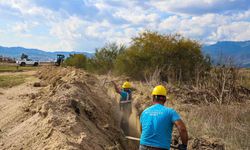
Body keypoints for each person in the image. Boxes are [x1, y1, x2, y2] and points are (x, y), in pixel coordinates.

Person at [139, 85, 188, 150]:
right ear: (165, 99)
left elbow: (142, 129)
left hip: (143, 146)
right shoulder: (170, 112)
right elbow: (182, 129)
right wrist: (184, 145)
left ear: (153, 98)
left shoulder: (144, 112)